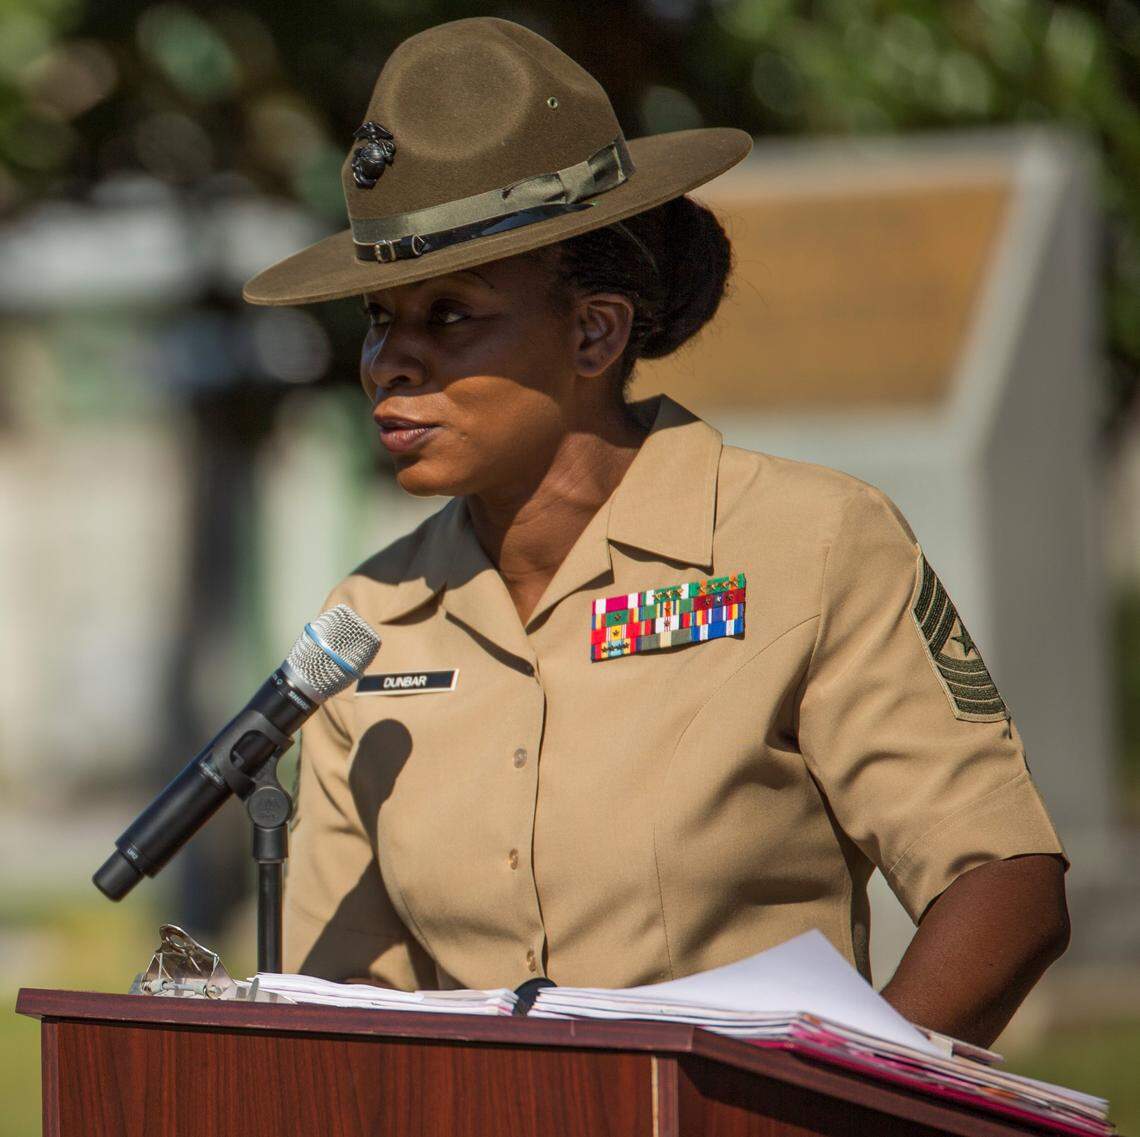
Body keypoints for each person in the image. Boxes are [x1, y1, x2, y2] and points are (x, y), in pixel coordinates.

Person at [242, 16, 1069, 1048]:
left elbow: (1005, 883)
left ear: (594, 332)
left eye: (447, 316)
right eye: (377, 320)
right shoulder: (370, 624)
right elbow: (350, 1002)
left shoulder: (807, 543)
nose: (390, 364)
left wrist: (843, 1104)